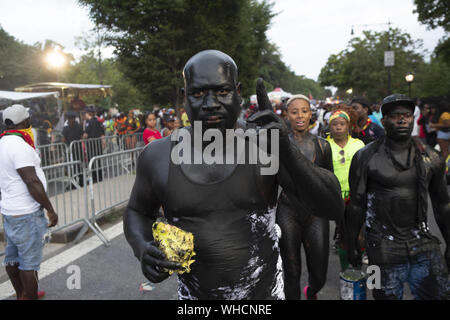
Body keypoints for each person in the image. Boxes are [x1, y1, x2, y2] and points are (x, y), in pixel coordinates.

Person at [123, 50, 344, 300]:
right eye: (198, 93)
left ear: (238, 93)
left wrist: (288, 150)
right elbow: (136, 211)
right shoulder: (158, 156)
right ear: (184, 97)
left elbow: (332, 207)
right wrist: (143, 248)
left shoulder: (264, 146)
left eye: (222, 92)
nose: (210, 104)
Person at [346, 93, 450, 300]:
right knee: (384, 296)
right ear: (383, 121)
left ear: (413, 119)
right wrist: (352, 245)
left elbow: (442, 204)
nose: (402, 119)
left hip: (422, 241)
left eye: (407, 115)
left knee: (441, 294)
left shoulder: (430, 157)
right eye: (395, 116)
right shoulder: (365, 157)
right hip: (381, 246)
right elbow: (356, 205)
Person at [275, 94, 337, 300]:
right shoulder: (278, 145)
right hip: (288, 210)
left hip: (316, 212)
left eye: (304, 111)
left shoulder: (322, 146)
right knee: (291, 270)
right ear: (287, 115)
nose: (300, 116)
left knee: (319, 273)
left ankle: (311, 292)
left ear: (311, 114)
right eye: (294, 112)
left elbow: (329, 182)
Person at [0, 104, 58, 300]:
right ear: (25, 121)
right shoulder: (20, 146)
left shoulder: (3, 143)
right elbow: (31, 181)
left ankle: (22, 294)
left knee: (12, 259)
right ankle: (28, 296)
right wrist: (50, 209)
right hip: (26, 213)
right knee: (29, 265)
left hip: (10, 212)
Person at [325, 106, 365, 266]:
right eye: (335, 124)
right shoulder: (324, 146)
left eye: (342, 124)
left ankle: (357, 266)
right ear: (330, 127)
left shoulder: (359, 144)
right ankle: (345, 270)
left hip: (357, 197)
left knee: (360, 235)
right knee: (343, 234)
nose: (338, 127)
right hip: (336, 198)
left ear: (348, 126)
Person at [62, 111, 84, 188]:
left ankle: (74, 183)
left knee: (72, 166)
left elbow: (63, 139)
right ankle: (81, 181)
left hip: (70, 149)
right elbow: (82, 136)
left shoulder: (66, 128)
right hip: (78, 148)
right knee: (79, 165)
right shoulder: (79, 126)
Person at [83, 107, 105, 183]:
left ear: (88, 113)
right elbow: (102, 133)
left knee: (91, 162)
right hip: (98, 144)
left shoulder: (89, 122)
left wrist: (83, 139)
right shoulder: (98, 121)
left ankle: (94, 178)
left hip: (91, 145)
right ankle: (100, 177)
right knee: (98, 161)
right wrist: (103, 143)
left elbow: (85, 134)